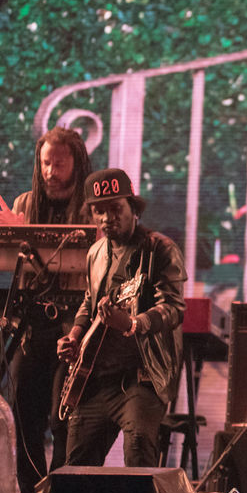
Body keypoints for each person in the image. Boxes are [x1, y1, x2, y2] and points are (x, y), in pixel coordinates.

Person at [0, 126, 92, 493]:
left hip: (73, 326)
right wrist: (9, 236)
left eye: (59, 163)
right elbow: (17, 263)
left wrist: (25, 232)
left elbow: (82, 264)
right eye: (45, 162)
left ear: (76, 163)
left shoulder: (92, 208)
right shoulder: (25, 204)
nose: (50, 170)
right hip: (33, 324)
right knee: (22, 413)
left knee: (64, 419)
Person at [56, 168, 186, 467]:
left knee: (139, 452)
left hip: (141, 378)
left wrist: (133, 324)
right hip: (95, 379)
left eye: (115, 208)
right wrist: (74, 337)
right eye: (98, 211)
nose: (106, 218)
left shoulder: (160, 249)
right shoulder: (96, 253)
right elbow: (90, 302)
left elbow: (174, 308)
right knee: (76, 467)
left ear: (133, 209)